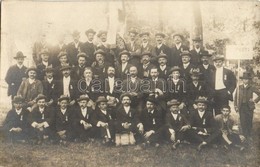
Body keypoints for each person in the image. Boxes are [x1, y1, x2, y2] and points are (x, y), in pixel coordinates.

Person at [234, 72, 260, 139]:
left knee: (249, 120)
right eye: (244, 79)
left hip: (249, 107)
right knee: (243, 120)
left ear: (249, 80)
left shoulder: (252, 87)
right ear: (242, 80)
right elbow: (236, 97)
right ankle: (244, 134)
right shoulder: (239, 87)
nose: (245, 81)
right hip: (241, 106)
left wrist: (255, 100)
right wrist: (235, 106)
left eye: (247, 79)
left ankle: (248, 134)